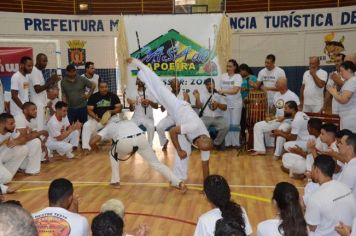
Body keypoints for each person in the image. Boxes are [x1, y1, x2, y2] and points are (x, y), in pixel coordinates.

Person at [127, 58, 213, 183]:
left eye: (199, 148)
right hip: (177, 108)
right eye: (198, 146)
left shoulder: (206, 146)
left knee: (184, 153)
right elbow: (173, 131)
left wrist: (207, 186)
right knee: (159, 87)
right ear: (201, 139)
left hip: (181, 124)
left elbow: (205, 166)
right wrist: (178, 149)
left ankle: (178, 178)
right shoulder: (193, 126)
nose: (199, 149)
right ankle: (138, 64)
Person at [89, 119, 187, 191]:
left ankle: (115, 182)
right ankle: (178, 182)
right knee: (156, 164)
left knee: (112, 154)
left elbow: (92, 141)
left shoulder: (109, 126)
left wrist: (96, 149)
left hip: (124, 142)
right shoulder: (129, 121)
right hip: (141, 139)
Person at [305, 155, 356, 235]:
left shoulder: (315, 197)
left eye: (312, 168)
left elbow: (312, 228)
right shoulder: (346, 188)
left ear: (316, 170)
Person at [251, 77, 300, 157]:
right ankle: (260, 149)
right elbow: (274, 108)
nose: (275, 84)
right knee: (258, 126)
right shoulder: (277, 94)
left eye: (277, 83)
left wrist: (284, 118)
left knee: (281, 130)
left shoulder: (292, 96)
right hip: (277, 119)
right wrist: (270, 115)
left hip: (288, 121)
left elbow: (298, 112)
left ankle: (277, 154)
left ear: (282, 85)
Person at [82, 80, 121, 155]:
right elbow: (89, 110)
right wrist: (95, 116)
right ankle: (86, 147)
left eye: (106, 87)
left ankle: (118, 145)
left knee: (117, 124)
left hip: (111, 119)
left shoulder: (113, 96)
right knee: (86, 125)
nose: (104, 89)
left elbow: (119, 109)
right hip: (98, 119)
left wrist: (111, 112)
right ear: (99, 88)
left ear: (108, 87)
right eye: (102, 87)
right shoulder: (94, 97)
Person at [156, 78, 190, 151]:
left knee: (182, 132)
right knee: (159, 127)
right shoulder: (167, 95)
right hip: (170, 117)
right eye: (174, 86)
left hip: (181, 117)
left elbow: (187, 107)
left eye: (178, 86)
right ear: (171, 86)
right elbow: (162, 110)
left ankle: (186, 144)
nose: (177, 88)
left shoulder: (184, 94)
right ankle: (164, 141)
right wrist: (163, 105)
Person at [194, 78, 228, 149]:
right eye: (208, 85)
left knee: (225, 126)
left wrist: (218, 104)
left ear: (214, 84)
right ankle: (203, 144)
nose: (210, 86)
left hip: (218, 117)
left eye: (211, 84)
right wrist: (197, 97)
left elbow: (225, 108)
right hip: (206, 117)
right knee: (200, 126)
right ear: (206, 86)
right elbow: (198, 106)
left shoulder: (220, 93)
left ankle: (216, 143)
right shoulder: (203, 94)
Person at [15, 102, 48, 174]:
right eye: (33, 109)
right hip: (14, 146)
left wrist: (43, 145)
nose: (36, 111)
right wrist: (40, 132)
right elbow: (23, 138)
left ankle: (29, 169)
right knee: (36, 142)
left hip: (23, 146)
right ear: (25, 110)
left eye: (36, 109)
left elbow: (35, 134)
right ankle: (24, 167)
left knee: (39, 143)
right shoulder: (19, 118)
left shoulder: (33, 120)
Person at [28, 53, 60, 130]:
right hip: (37, 104)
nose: (45, 63)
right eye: (44, 61)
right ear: (38, 61)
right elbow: (38, 89)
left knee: (41, 126)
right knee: (39, 127)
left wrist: (51, 80)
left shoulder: (38, 71)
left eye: (46, 61)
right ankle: (39, 141)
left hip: (41, 104)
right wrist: (52, 81)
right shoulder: (34, 71)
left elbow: (43, 87)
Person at [0, 113, 28, 194]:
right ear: (2, 124)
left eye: (14, 123)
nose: (14, 125)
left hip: (2, 153)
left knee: (23, 149)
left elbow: (23, 139)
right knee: (7, 178)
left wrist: (17, 141)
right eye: (11, 123)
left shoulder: (10, 130)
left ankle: (5, 173)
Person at [218, 59, 242, 147]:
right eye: (227, 66)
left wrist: (223, 91)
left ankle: (235, 143)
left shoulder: (238, 76)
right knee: (227, 123)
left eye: (230, 66)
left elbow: (235, 90)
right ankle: (227, 143)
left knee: (235, 123)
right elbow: (220, 89)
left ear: (235, 67)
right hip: (225, 103)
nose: (228, 68)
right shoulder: (223, 76)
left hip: (236, 103)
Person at [128, 78, 158, 146]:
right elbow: (131, 109)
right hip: (136, 117)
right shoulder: (133, 92)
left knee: (151, 126)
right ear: (136, 81)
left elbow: (156, 106)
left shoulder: (150, 92)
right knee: (129, 126)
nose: (140, 81)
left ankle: (150, 145)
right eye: (138, 79)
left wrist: (149, 102)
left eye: (142, 79)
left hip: (148, 117)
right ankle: (133, 145)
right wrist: (131, 104)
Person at [327, 61, 356, 132]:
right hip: (346, 116)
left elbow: (343, 100)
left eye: (342, 71)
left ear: (349, 70)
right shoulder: (348, 81)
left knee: (349, 140)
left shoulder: (353, 81)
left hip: (351, 117)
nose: (340, 73)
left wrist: (334, 92)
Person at [239, 63, 257, 143]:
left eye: (241, 71)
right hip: (241, 101)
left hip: (250, 102)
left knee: (249, 120)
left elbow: (257, 89)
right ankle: (242, 136)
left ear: (245, 70)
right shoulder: (240, 78)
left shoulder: (253, 78)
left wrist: (246, 90)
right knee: (242, 120)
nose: (240, 73)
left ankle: (250, 138)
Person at [337, 133, 356, 198]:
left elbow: (342, 195)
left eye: (341, 143)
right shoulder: (349, 164)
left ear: (350, 148)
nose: (338, 145)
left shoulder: (352, 169)